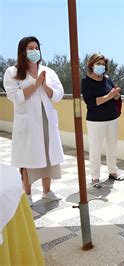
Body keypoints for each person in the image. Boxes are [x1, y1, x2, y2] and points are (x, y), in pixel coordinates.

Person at [3, 36, 64, 205]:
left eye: (36, 47)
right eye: (30, 48)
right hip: (28, 122)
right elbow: (14, 96)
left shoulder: (48, 71)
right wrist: (36, 85)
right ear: (23, 51)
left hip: (46, 119)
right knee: (26, 158)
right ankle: (27, 194)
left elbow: (58, 95)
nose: (34, 51)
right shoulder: (13, 72)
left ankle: (47, 191)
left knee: (48, 155)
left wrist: (44, 85)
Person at [81, 53, 124, 188]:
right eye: (98, 63)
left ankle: (113, 172)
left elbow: (115, 98)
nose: (101, 66)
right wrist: (109, 95)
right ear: (91, 65)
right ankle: (95, 177)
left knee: (112, 147)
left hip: (112, 118)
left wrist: (116, 94)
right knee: (95, 149)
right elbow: (91, 102)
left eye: (103, 64)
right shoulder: (86, 81)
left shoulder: (107, 79)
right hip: (95, 121)